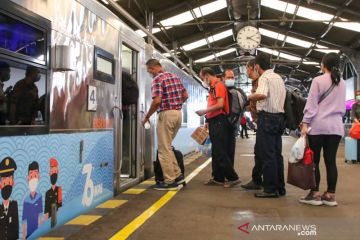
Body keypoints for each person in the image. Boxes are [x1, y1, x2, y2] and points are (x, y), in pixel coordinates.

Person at [299, 52, 345, 206]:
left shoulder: (318, 80)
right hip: (336, 127)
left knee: (314, 161)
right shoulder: (343, 83)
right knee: (331, 161)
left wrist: (305, 123)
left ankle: (315, 194)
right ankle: (331, 195)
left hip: (318, 126)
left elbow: (311, 105)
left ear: (323, 65)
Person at [142, 59, 188, 190]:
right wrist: (176, 104)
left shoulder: (157, 79)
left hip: (166, 114)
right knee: (167, 146)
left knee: (163, 149)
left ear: (153, 68)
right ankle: (178, 175)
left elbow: (157, 101)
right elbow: (185, 95)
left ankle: (170, 181)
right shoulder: (175, 77)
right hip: (178, 114)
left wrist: (147, 116)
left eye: (149, 71)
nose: (150, 74)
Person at [248, 53, 286, 198]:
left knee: (267, 154)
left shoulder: (264, 78)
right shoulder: (278, 77)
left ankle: (270, 189)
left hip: (267, 118)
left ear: (257, 66)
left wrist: (250, 96)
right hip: (279, 119)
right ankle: (280, 188)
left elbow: (262, 94)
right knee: (277, 154)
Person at [196, 67, 240, 188]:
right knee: (216, 152)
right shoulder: (213, 88)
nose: (203, 80)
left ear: (206, 76)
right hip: (214, 121)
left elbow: (220, 105)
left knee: (220, 152)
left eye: (202, 78)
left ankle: (233, 178)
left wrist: (204, 111)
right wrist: (207, 120)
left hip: (220, 122)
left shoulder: (218, 86)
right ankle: (218, 178)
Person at [241, 59, 263, 190]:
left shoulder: (261, 81)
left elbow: (261, 99)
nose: (246, 72)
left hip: (263, 120)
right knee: (260, 152)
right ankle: (258, 179)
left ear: (253, 68)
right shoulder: (256, 82)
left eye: (246, 68)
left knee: (261, 152)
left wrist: (249, 98)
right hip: (260, 121)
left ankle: (258, 180)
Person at [222, 68, 238, 166]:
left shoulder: (236, 91)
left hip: (232, 125)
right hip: (221, 124)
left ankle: (230, 174)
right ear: (223, 78)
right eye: (228, 77)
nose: (231, 79)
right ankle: (221, 175)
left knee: (230, 150)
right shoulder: (220, 89)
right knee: (221, 151)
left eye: (232, 77)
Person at [22, 161, 43, 239]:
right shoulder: (26, 201)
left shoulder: (39, 197)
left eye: (35, 175)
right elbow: (24, 222)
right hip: (29, 235)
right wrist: (24, 237)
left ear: (38, 177)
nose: (33, 179)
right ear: (28, 178)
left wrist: (40, 234)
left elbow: (40, 218)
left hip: (37, 233)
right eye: (31, 176)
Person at [0, 157, 19, 240]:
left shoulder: (14, 205)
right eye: (4, 180)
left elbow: (16, 225)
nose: (7, 183)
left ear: (13, 182)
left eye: (9, 180)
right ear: (0, 184)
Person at [45, 158, 62, 227]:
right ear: (49, 173)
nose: (53, 174)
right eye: (52, 172)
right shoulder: (47, 193)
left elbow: (60, 206)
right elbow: (46, 211)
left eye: (55, 171)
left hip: (57, 217)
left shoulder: (59, 189)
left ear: (57, 172)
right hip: (49, 219)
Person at [351, 90, 360, 161]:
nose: (358, 96)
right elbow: (353, 115)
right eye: (357, 95)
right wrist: (357, 121)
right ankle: (357, 157)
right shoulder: (354, 105)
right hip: (357, 125)